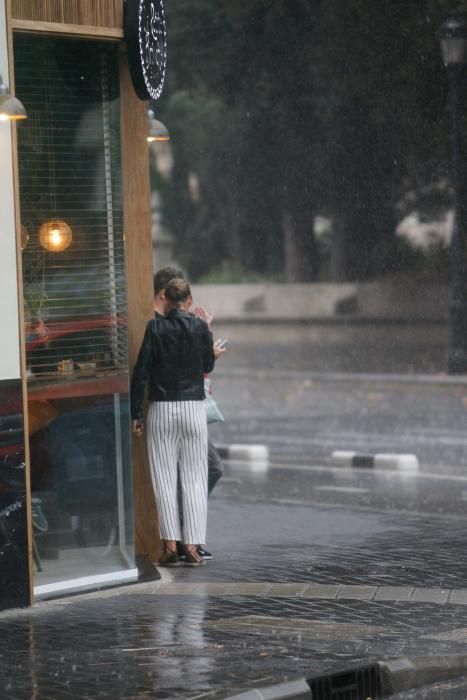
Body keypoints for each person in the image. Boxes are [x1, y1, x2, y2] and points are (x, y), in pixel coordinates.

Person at [131, 279, 215, 566]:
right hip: (193, 408)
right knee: (194, 479)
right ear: (189, 300)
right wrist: (208, 330)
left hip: (162, 409)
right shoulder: (200, 327)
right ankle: (192, 547)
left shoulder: (155, 328)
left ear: (164, 298)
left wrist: (135, 413)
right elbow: (207, 365)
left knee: (165, 479)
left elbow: (140, 372)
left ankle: (169, 546)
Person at [153, 267, 225, 559]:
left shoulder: (167, 325)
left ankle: (185, 540)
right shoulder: (157, 325)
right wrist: (205, 339)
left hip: (176, 407)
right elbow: (189, 364)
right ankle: (184, 540)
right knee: (199, 471)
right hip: (180, 408)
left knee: (188, 474)